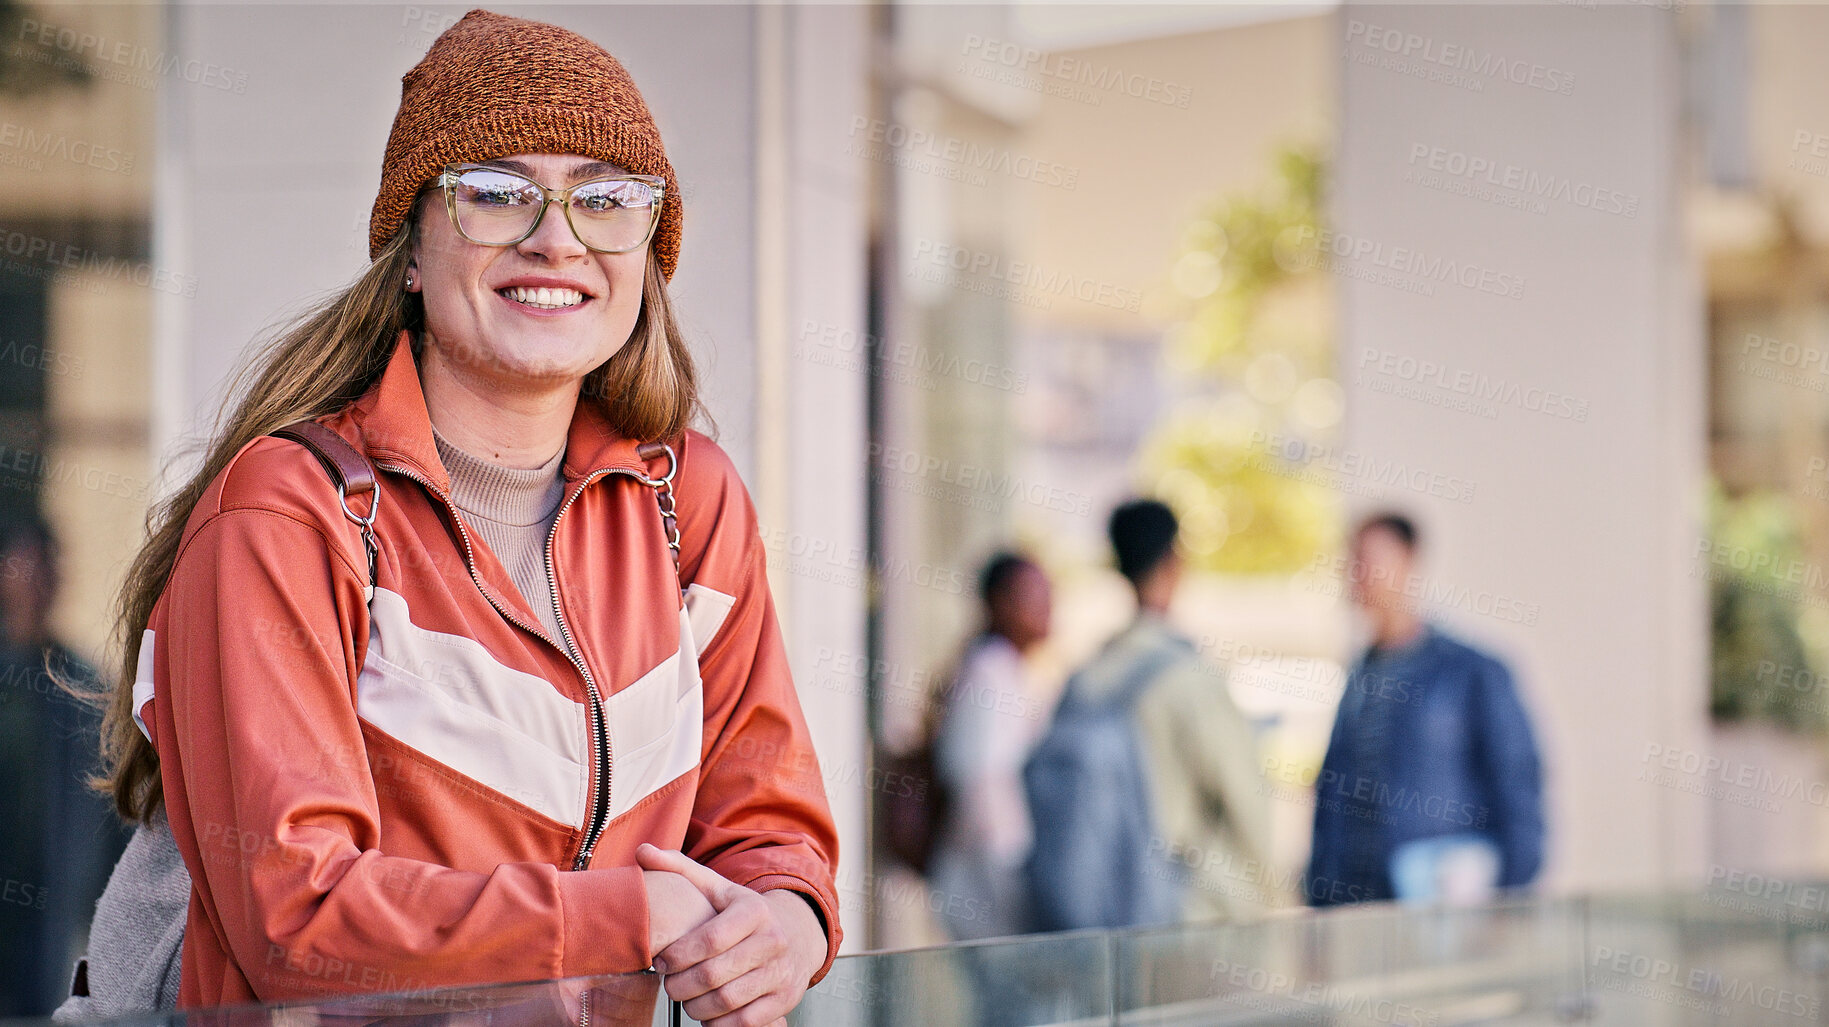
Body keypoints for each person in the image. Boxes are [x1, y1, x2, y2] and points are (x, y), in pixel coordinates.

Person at [77, 11, 837, 1020]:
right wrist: (625, 914)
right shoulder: (290, 511)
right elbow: (293, 920)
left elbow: (767, 821)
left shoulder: (686, 504)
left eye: (606, 200)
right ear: (412, 253)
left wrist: (788, 923)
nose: (555, 238)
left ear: (646, 253)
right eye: (495, 194)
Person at [1030, 500, 1273, 927]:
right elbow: (1245, 799)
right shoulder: (1188, 677)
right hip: (1186, 917)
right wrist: (1274, 899)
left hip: (1098, 925)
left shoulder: (1085, 678)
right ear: (1174, 562)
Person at [1306, 512, 1545, 908]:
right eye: (1354, 564)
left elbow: (1518, 789)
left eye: (1374, 562)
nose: (1362, 577)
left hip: (1439, 913)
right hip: (1358, 913)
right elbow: (1331, 797)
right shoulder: (1358, 680)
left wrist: (1508, 896)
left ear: (1409, 564)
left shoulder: (1470, 673)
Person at [0, 517, 126, 1016]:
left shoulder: (79, 682)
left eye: (45, 568)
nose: (35, 582)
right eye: (23, 567)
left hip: (57, 907)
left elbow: (113, 798)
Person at [930, 552, 1052, 941]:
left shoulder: (1001, 667)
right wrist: (1006, 873)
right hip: (984, 872)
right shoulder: (990, 671)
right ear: (1001, 603)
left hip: (983, 867)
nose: (1047, 609)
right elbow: (978, 781)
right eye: (1034, 597)